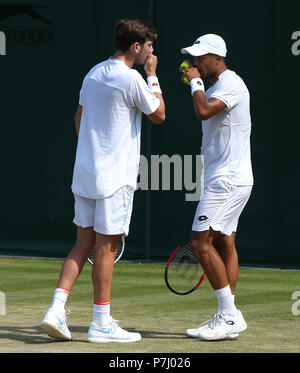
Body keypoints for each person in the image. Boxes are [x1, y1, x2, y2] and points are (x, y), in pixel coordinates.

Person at [40, 17, 165, 343]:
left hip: (86, 173)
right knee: (106, 248)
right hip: (115, 178)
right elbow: (159, 114)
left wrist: (93, 153)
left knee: (83, 243)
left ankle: (55, 308)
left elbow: (79, 120)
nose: (152, 52)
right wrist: (152, 76)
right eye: (149, 46)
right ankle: (101, 323)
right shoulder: (133, 78)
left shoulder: (93, 73)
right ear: (136, 46)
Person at [179, 34, 253, 341]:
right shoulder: (216, 87)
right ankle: (230, 316)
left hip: (228, 180)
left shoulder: (231, 84)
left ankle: (228, 316)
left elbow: (204, 111)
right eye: (193, 58)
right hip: (226, 178)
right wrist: (199, 84)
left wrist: (194, 83)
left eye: (201, 57)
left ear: (218, 59)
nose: (195, 63)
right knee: (223, 243)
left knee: (198, 243)